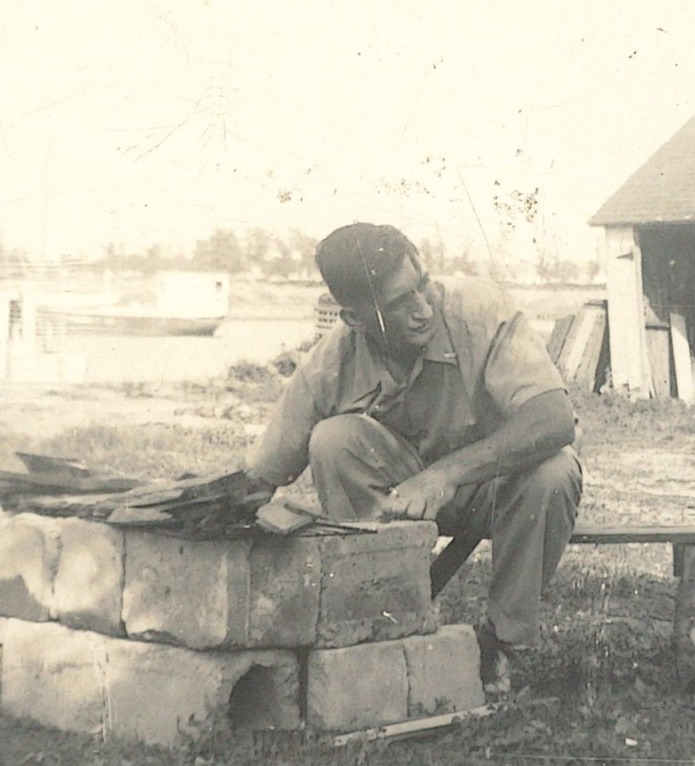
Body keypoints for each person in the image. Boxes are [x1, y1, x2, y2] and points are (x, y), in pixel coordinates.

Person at [245, 223, 583, 693]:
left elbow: (554, 419)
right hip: (406, 498)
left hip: (498, 492)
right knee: (332, 440)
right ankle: (382, 619)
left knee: (554, 470)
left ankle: (501, 644)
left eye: (423, 286)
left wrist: (444, 475)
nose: (424, 309)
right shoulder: (333, 358)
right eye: (400, 304)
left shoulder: (479, 310)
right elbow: (262, 476)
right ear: (355, 318)